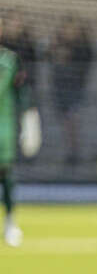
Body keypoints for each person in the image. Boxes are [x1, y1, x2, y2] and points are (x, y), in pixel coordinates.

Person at [0, 13, 37, 247]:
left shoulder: (10, 60)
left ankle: (10, 223)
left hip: (3, 126)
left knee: (6, 173)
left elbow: (22, 92)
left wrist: (29, 119)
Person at [50, 16, 94, 166]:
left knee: (73, 120)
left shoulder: (82, 48)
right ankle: (70, 150)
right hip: (60, 89)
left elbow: (87, 60)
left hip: (75, 89)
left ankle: (74, 151)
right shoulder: (58, 45)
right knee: (66, 121)